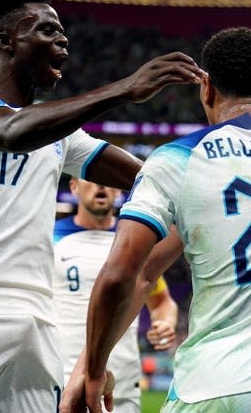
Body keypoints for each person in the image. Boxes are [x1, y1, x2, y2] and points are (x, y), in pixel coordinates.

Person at [0, 0, 203, 412]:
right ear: (6, 41)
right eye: (47, 30)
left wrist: (214, 176)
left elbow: (148, 177)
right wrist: (124, 89)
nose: (62, 40)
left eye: (62, 31)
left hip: (38, 321)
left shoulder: (63, 138)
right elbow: (12, 131)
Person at [75, 27, 251, 412]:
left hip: (215, 384)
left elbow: (126, 274)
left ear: (208, 90)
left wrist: (92, 369)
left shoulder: (178, 161)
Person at [53, 177, 178, 413]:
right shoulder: (49, 239)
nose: (100, 185)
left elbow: (161, 300)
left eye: (107, 181)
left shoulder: (134, 245)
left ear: (119, 192)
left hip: (123, 384)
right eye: (89, 179)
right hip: (62, 378)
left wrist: (165, 322)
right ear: (73, 187)